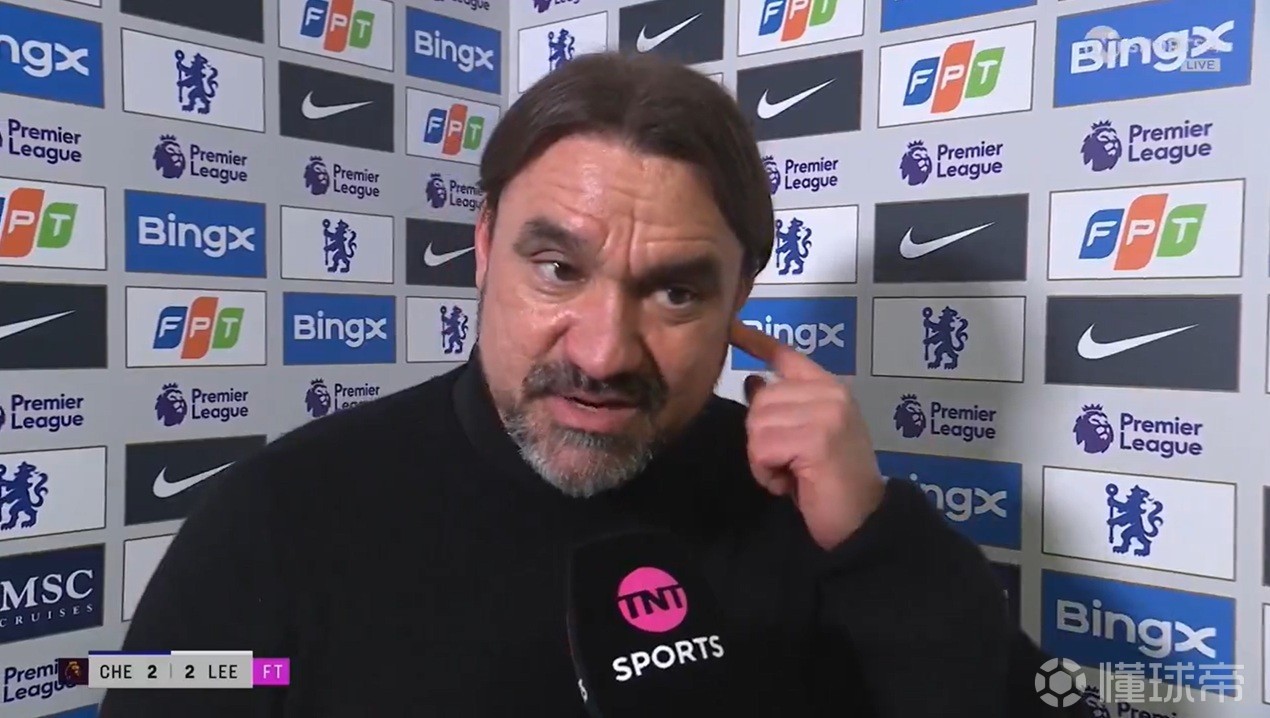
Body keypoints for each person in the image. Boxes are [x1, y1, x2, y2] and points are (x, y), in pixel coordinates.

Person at [101, 52, 1094, 717]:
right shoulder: (278, 519)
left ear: (741, 295)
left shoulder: (812, 519)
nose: (607, 350)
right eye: (557, 268)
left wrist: (876, 542)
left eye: (674, 291)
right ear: (484, 246)